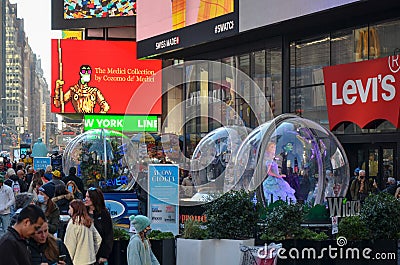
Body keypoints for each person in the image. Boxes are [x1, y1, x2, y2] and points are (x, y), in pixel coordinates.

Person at [64, 199, 102, 265]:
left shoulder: (73, 223)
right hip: (91, 261)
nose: (69, 211)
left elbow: (69, 246)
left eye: (70, 208)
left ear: (75, 209)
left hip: (77, 262)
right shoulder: (88, 222)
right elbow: (98, 239)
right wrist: (92, 253)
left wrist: (68, 262)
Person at [85, 187, 114, 264]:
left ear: (95, 198)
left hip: (99, 253)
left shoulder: (104, 214)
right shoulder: (83, 212)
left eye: (88, 197)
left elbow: (108, 235)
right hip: (85, 253)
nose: (86, 199)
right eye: (86, 196)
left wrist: (104, 255)